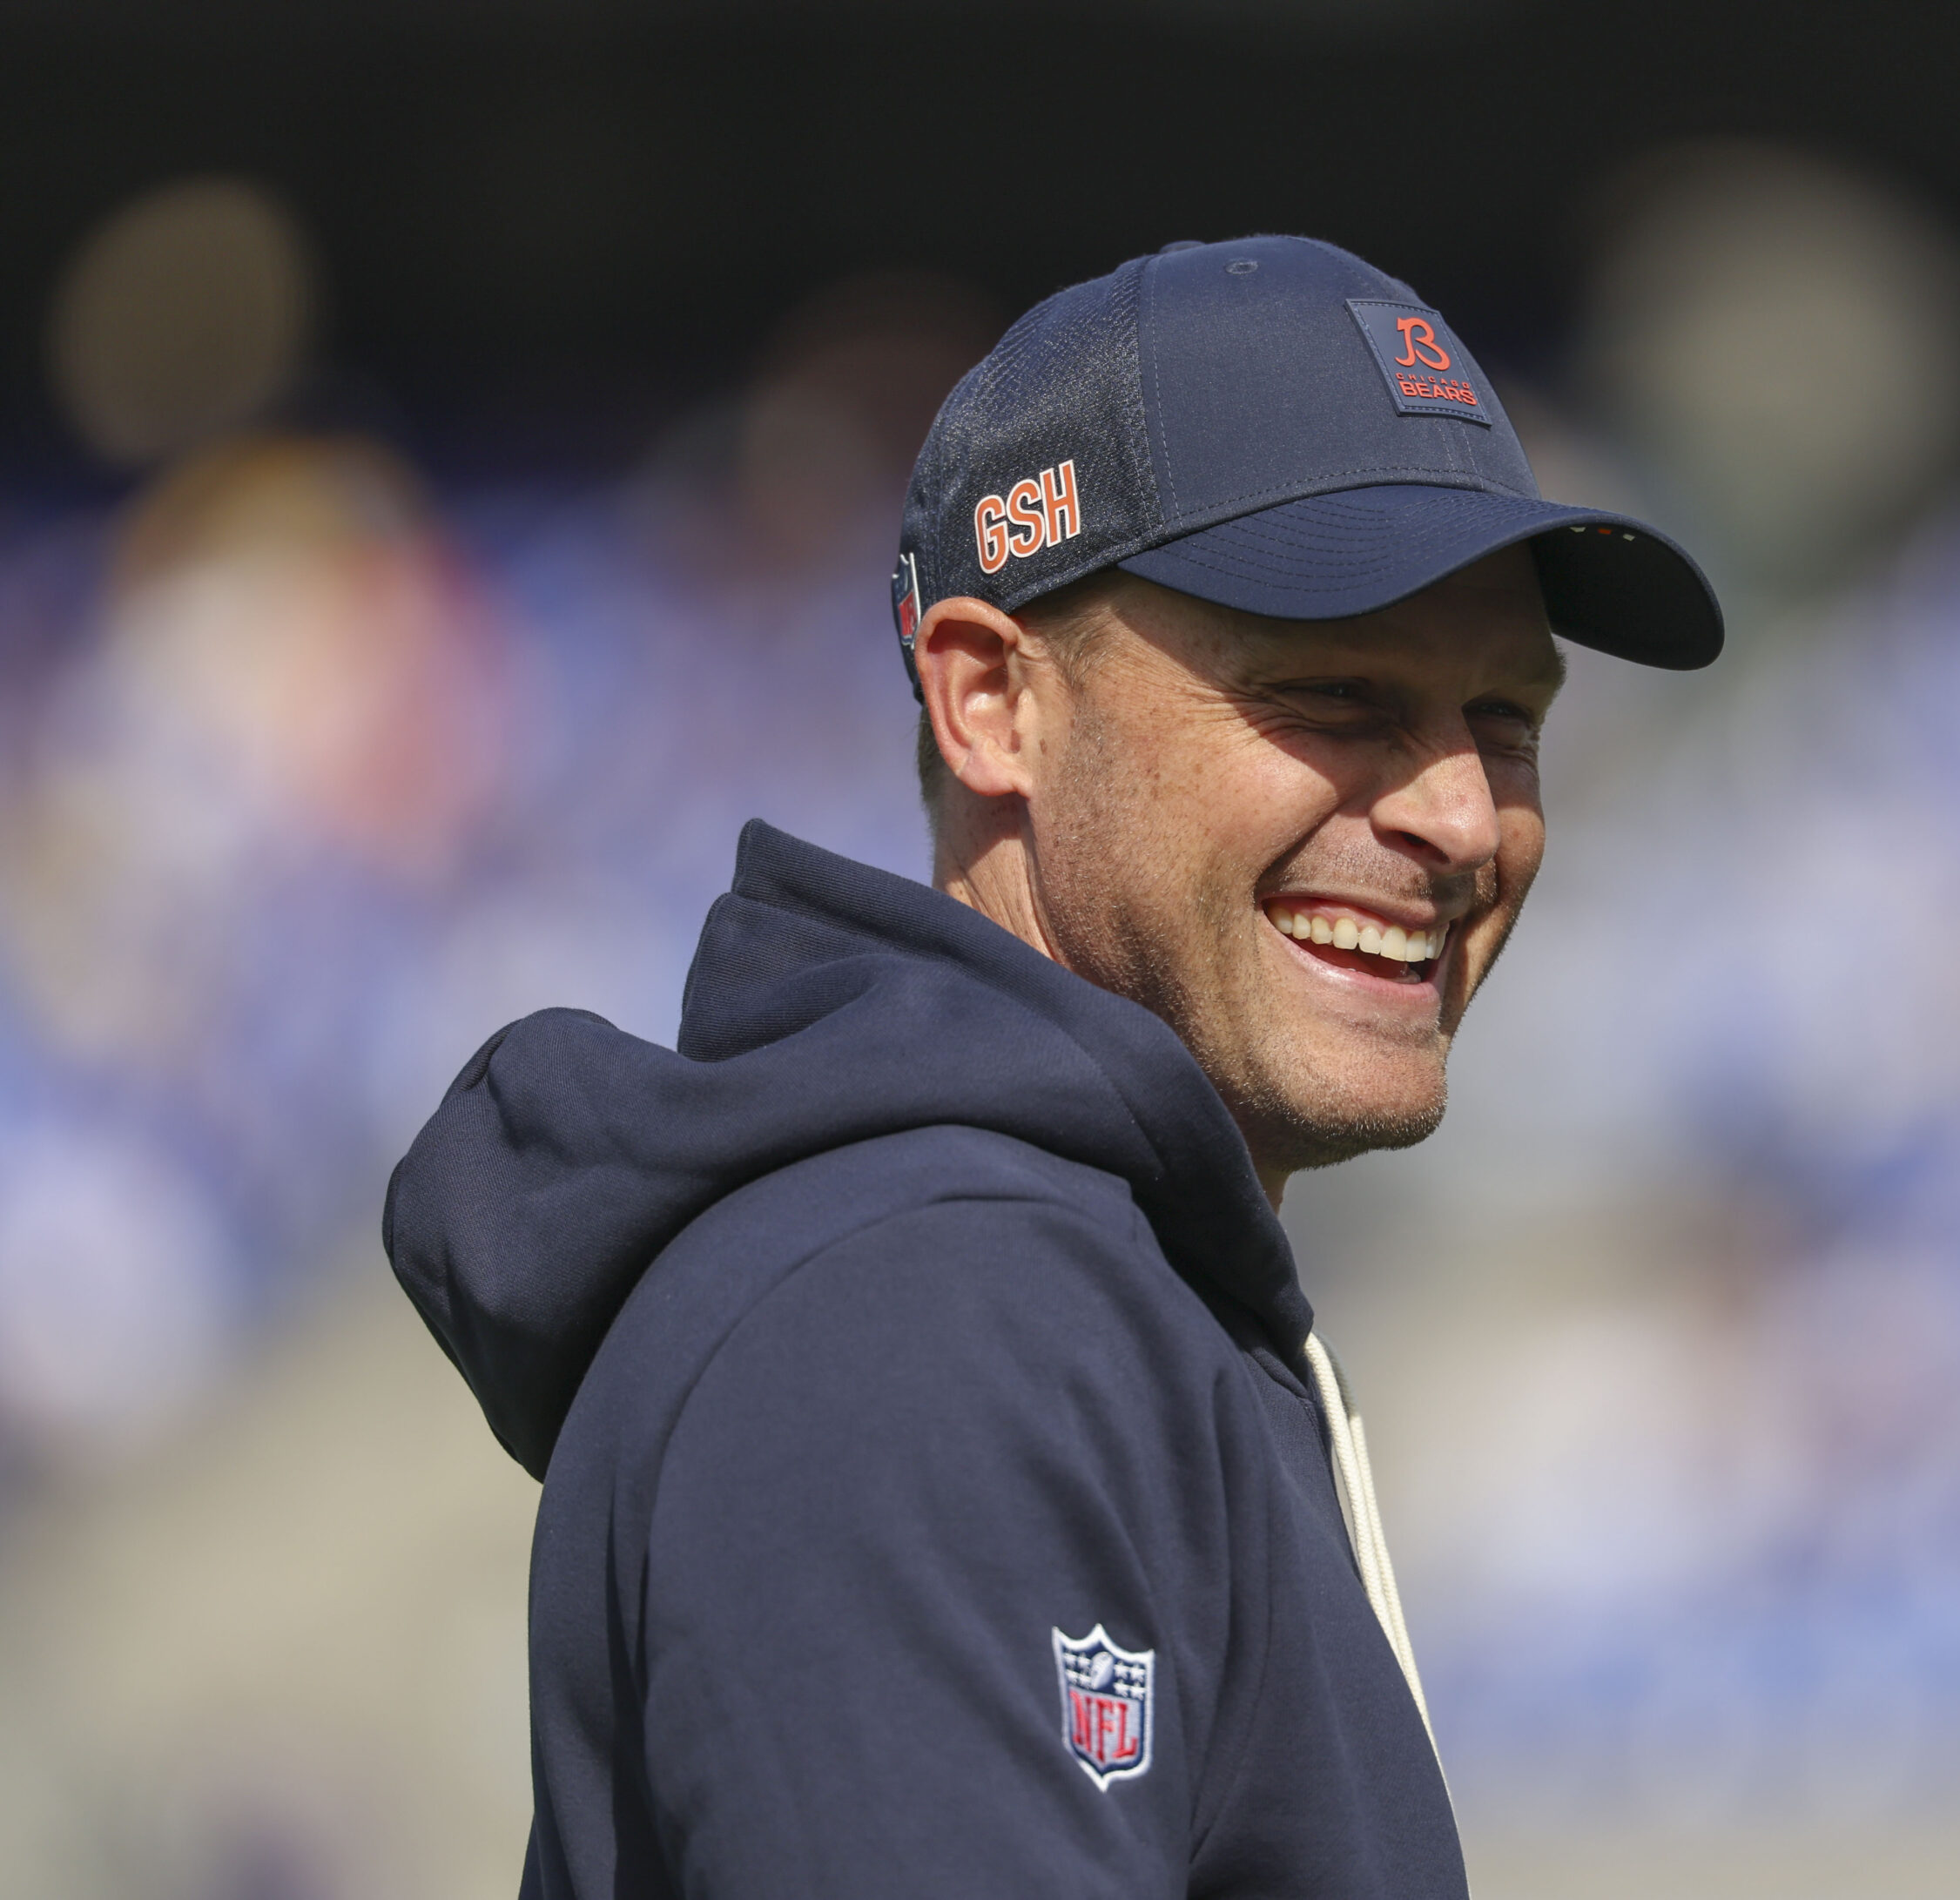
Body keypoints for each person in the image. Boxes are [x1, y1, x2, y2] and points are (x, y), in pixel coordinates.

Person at [387, 235, 1721, 1898]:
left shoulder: (1069, 1280)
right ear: (991, 704)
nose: (1463, 815)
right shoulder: (925, 1311)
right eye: (1337, 696)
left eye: (1508, 719)